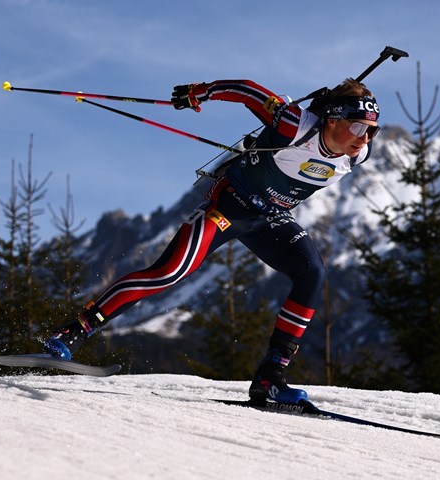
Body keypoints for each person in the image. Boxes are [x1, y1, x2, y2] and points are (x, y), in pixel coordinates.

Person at [44, 78, 380, 403]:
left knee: (312, 274)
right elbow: (248, 90)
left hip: (271, 218)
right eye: (357, 127)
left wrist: (355, 122)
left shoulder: (356, 153)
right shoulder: (295, 124)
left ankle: (270, 376)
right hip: (229, 207)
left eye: (371, 130)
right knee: (169, 272)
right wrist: (199, 93)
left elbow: (351, 136)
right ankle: (71, 332)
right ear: (332, 119)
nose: (363, 139)